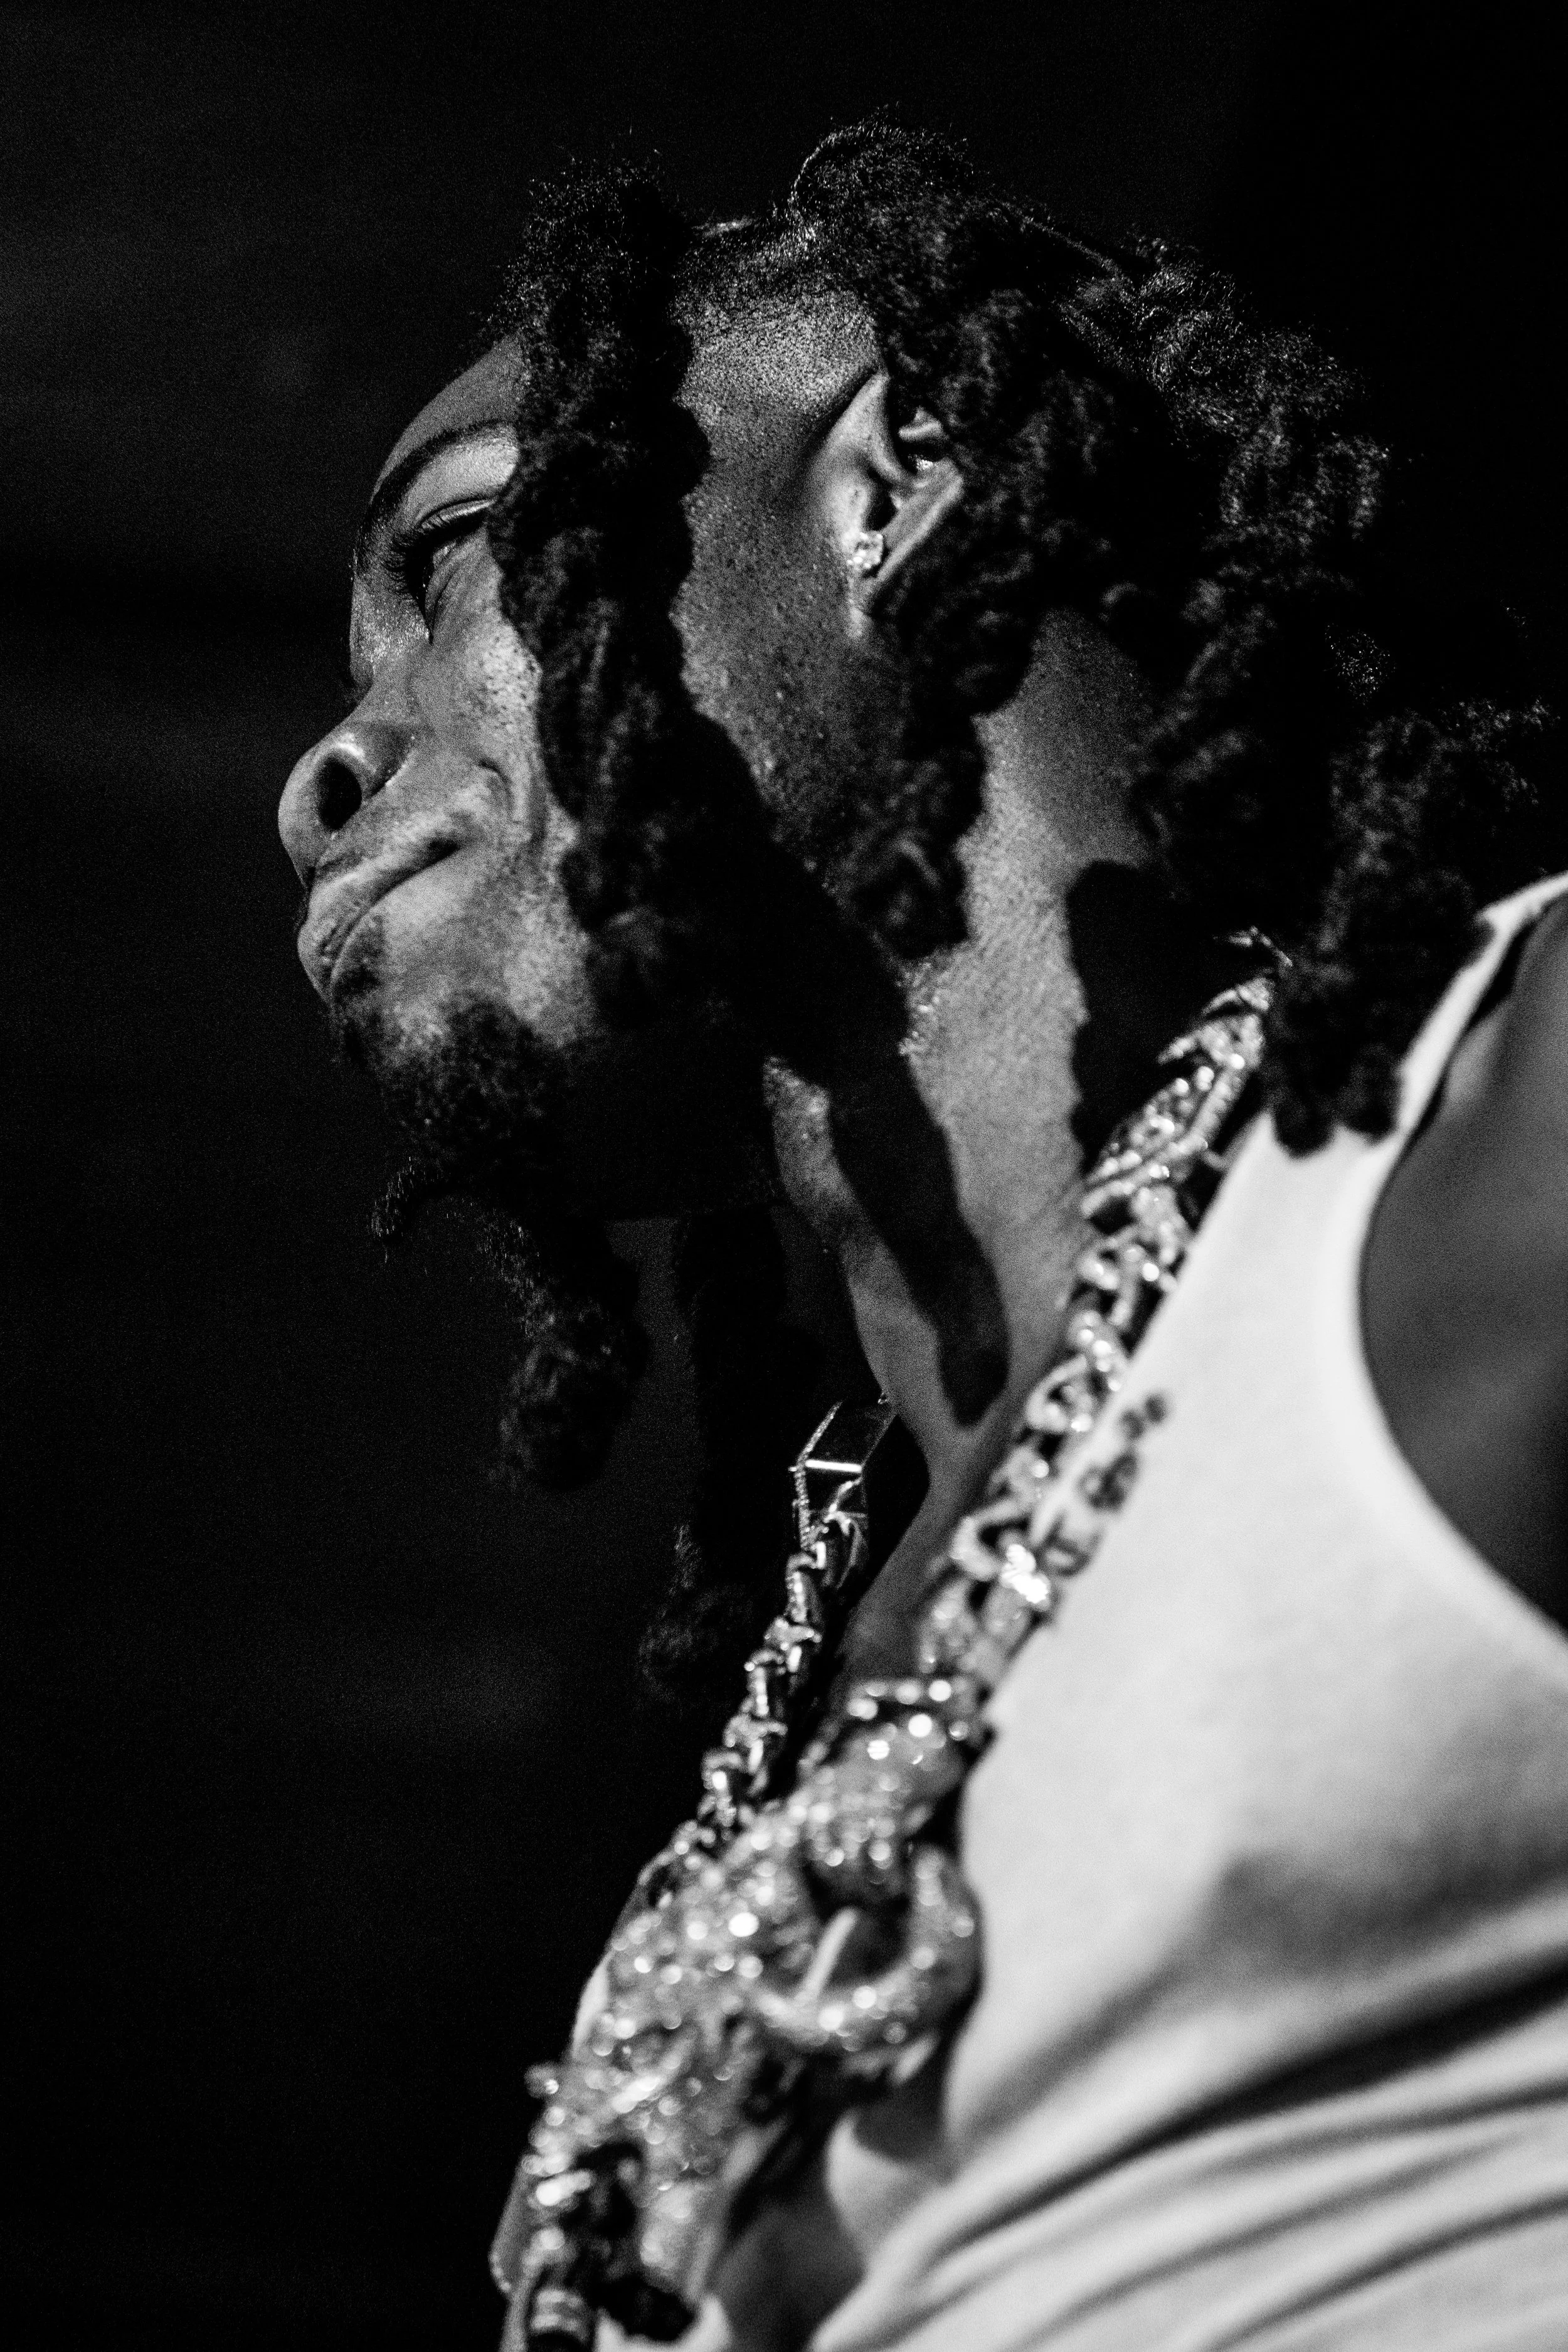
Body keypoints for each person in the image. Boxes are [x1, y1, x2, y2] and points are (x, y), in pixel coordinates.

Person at [277, 122, 1568, 2352]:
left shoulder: (1490, 1168)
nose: (321, 762)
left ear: (900, 483)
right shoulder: (804, 1707)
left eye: (464, 552)